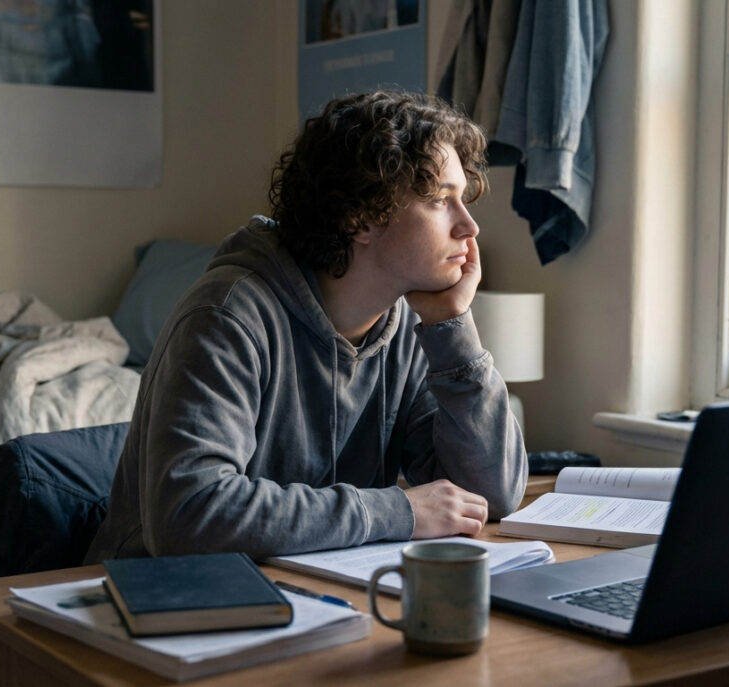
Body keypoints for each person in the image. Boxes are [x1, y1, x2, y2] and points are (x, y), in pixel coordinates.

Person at [85, 90, 527, 562]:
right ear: (360, 215)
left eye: (463, 200)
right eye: (442, 200)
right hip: (166, 610)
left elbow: (491, 496)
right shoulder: (228, 315)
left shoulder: (406, 328)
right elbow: (191, 516)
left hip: (311, 596)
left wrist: (452, 328)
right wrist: (395, 511)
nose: (469, 227)